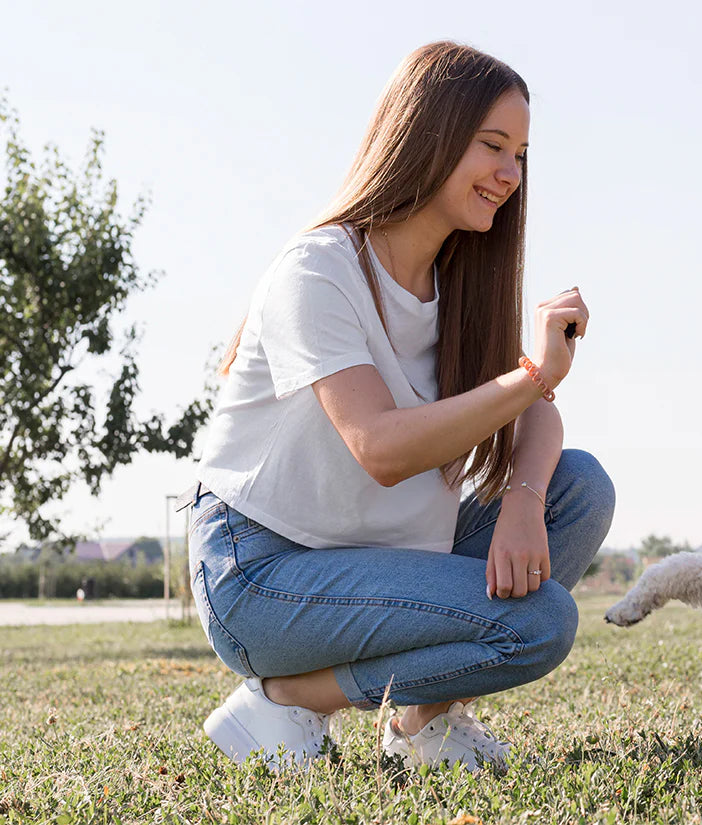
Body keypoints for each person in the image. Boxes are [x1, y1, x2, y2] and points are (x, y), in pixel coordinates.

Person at [185, 41, 614, 773]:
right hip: (261, 571)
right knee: (539, 623)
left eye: (520, 153)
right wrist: (535, 373)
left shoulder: (460, 285)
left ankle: (422, 723)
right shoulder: (318, 269)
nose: (510, 174)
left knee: (577, 488)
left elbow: (534, 413)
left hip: (376, 555)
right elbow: (379, 448)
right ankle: (289, 694)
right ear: (429, 135)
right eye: (492, 146)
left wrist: (523, 497)